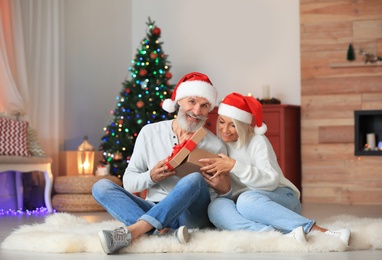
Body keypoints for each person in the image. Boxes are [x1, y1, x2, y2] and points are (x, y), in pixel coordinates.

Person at [92, 72, 227, 254]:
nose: (196, 112)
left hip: (190, 216)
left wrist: (221, 187)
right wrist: (151, 176)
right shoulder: (149, 132)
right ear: (179, 100)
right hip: (153, 206)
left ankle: (134, 232)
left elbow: (217, 200)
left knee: (194, 179)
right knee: (101, 187)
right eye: (192, 102)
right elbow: (129, 182)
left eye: (204, 106)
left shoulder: (215, 145)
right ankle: (163, 232)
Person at [199, 92, 351, 245]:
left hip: (280, 199)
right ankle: (272, 237)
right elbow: (227, 195)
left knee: (246, 200)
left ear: (243, 125)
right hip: (247, 208)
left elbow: (271, 181)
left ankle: (318, 231)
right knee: (216, 207)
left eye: (233, 125)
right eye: (222, 122)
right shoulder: (217, 146)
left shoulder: (257, 141)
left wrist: (235, 166)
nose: (225, 130)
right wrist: (225, 191)